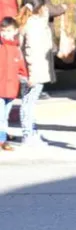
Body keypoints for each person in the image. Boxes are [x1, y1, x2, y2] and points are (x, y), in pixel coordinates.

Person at [18, 0, 53, 147]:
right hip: (33, 72)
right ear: (41, 8)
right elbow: (30, 51)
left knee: (29, 102)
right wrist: (32, 74)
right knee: (28, 103)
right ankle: (28, 134)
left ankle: (32, 131)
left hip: (35, 70)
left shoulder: (34, 22)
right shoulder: (33, 26)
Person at [0, 17, 27, 151]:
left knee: (5, 116)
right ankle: (2, 139)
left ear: (15, 31)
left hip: (11, 89)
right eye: (3, 30)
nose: (5, 33)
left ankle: (3, 138)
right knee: (0, 116)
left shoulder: (16, 50)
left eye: (9, 30)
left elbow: (21, 68)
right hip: (1, 88)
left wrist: (24, 78)